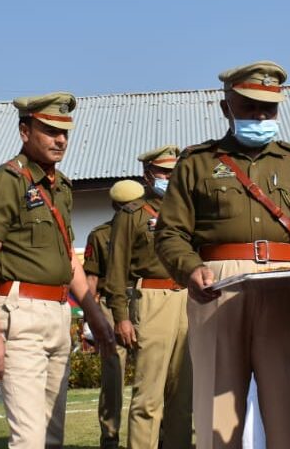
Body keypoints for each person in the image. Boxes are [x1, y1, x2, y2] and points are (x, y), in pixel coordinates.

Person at [153, 61, 290, 449]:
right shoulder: (197, 163)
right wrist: (190, 268)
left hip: (286, 283)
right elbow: (170, 233)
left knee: (288, 414)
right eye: (249, 107)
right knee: (217, 416)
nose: (260, 116)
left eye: (269, 108)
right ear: (226, 106)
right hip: (218, 285)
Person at [0, 92, 116, 449]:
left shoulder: (61, 187)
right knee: (29, 439)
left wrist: (95, 315)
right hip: (19, 315)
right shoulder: (7, 182)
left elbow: (69, 258)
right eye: (50, 130)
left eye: (64, 132)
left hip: (58, 314)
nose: (60, 139)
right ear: (24, 131)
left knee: (52, 435)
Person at [104, 145, 193, 449]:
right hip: (152, 297)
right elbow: (115, 270)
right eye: (164, 172)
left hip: (188, 299)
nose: (170, 178)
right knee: (149, 395)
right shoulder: (132, 214)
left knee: (184, 396)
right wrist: (121, 317)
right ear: (147, 175)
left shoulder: (190, 210)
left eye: (174, 172)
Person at [83, 180, 145, 449]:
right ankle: (110, 438)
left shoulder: (156, 227)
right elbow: (92, 279)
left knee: (136, 374)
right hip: (115, 304)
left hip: (143, 300)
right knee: (114, 377)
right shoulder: (100, 235)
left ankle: (136, 436)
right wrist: (90, 315)